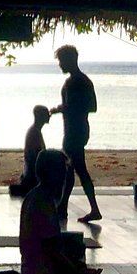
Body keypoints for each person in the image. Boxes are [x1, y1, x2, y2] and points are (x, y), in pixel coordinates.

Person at [0, 149, 106, 274]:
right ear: (54, 174)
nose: (65, 178)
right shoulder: (44, 203)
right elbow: (52, 252)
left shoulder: (34, 196)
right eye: (62, 172)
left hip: (32, 272)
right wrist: (77, 273)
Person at [50, 43, 101, 223]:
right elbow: (92, 106)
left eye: (62, 61)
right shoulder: (84, 81)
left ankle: (94, 208)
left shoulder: (75, 82)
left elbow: (82, 107)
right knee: (70, 169)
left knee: (78, 168)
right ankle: (63, 206)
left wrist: (59, 109)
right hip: (77, 130)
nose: (60, 65)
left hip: (74, 132)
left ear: (70, 60)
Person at [9, 105, 51, 198]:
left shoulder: (35, 131)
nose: (49, 115)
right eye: (47, 113)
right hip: (32, 174)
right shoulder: (34, 133)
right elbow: (35, 157)